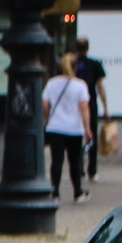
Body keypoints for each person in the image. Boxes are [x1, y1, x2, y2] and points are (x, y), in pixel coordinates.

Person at [43, 52, 94, 200]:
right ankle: (77, 192)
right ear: (76, 66)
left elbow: (45, 105)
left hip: (55, 127)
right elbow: (84, 109)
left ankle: (55, 191)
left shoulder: (52, 83)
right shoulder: (80, 85)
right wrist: (88, 129)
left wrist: (49, 117)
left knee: (56, 160)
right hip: (74, 129)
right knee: (75, 161)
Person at [75, 48, 108, 181]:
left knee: (77, 137)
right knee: (92, 136)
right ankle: (92, 170)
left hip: (76, 104)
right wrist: (106, 108)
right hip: (91, 103)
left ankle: (79, 168)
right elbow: (100, 87)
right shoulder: (95, 64)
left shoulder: (73, 64)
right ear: (87, 48)